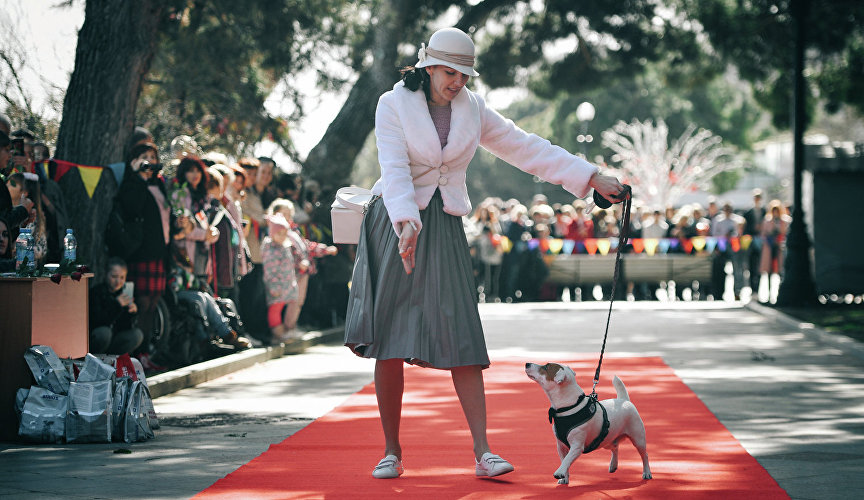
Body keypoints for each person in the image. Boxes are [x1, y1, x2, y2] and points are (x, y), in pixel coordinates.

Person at [343, 27, 630, 479]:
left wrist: (592, 176)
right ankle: (391, 451)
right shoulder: (392, 103)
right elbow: (394, 170)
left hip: (447, 223)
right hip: (395, 221)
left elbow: (525, 147)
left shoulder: (472, 108)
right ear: (428, 66)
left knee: (462, 335)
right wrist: (405, 224)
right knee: (389, 337)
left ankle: (483, 453)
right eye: (450, 72)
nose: (458, 81)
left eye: (464, 74)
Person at [114, 142, 173, 369]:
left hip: (159, 254)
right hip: (139, 254)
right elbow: (131, 208)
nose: (149, 161)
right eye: (144, 156)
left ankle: (146, 353)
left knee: (152, 305)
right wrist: (136, 175)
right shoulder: (131, 183)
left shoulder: (159, 185)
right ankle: (134, 354)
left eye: (152, 156)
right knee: (138, 303)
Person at [88, 257, 144, 355]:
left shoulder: (125, 293)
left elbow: (125, 326)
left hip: (115, 339)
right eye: (114, 276)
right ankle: (94, 361)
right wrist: (116, 305)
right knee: (104, 333)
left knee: (137, 335)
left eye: (122, 277)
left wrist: (132, 312)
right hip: (98, 338)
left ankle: (115, 361)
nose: (118, 281)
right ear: (106, 275)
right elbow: (98, 321)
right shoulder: (96, 292)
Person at [261, 212, 299, 342]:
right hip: (276, 286)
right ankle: (277, 333)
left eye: (284, 234)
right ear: (272, 233)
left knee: (281, 307)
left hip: (285, 285)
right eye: (279, 234)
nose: (282, 237)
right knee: (275, 309)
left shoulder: (284, 246)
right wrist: (273, 286)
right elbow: (270, 271)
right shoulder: (270, 249)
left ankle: (282, 332)